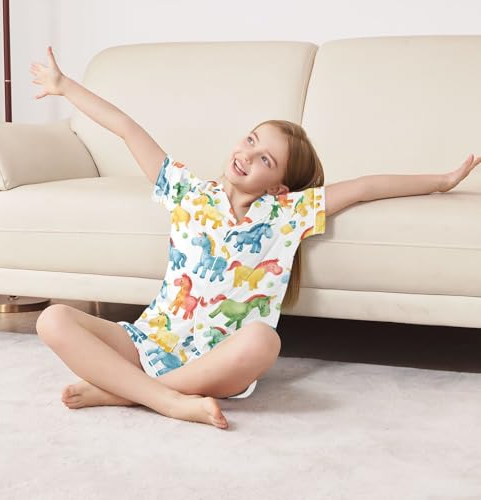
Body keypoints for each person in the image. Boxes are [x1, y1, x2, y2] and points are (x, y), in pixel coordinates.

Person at [30, 46, 480, 430]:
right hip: (150, 340)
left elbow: (365, 187)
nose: (247, 154)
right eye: (250, 140)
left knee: (265, 340)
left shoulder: (286, 214)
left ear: (279, 187)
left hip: (218, 362)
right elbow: (128, 129)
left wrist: (442, 181)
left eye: (265, 159)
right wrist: (65, 86)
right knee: (52, 319)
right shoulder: (188, 192)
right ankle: (163, 398)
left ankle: (127, 393)